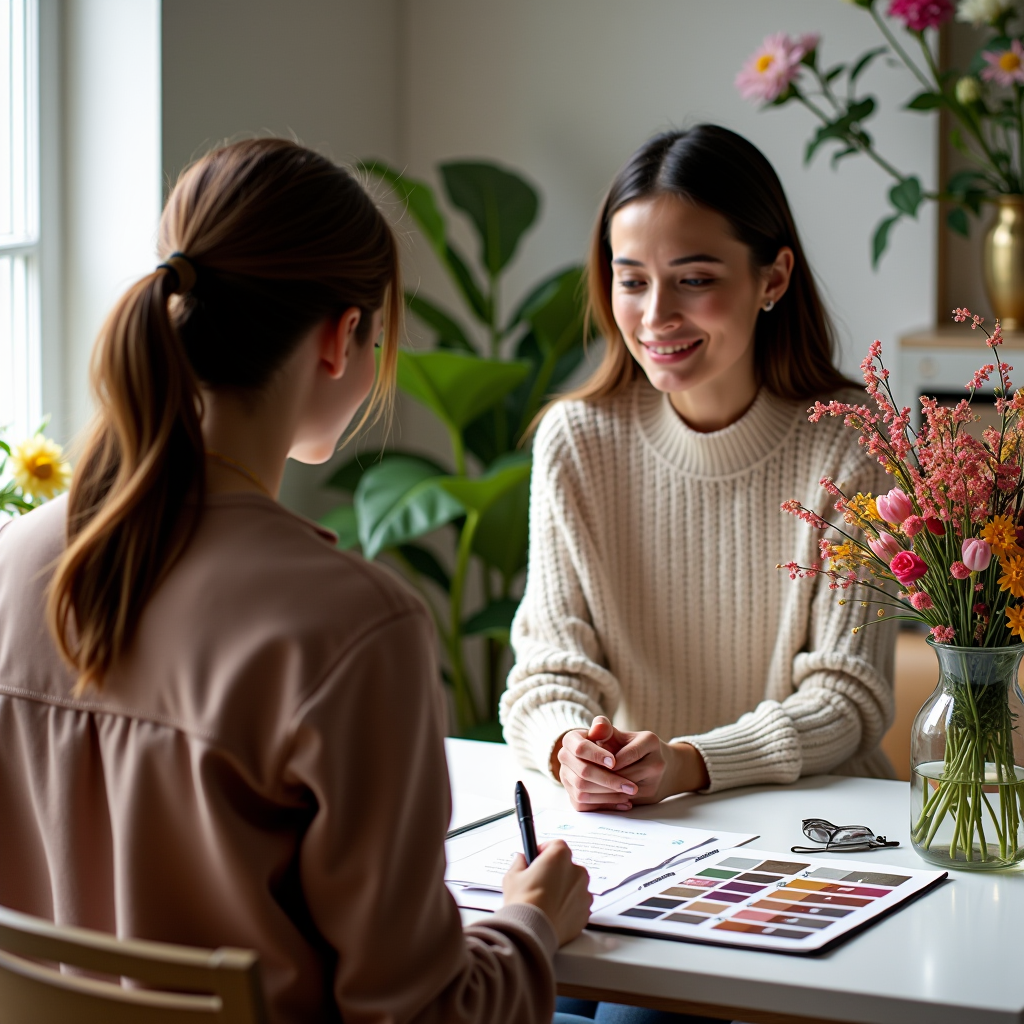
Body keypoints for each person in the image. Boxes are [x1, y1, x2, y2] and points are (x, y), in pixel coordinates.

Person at [0, 138, 592, 1024]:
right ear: (341, 336)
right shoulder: (353, 624)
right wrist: (530, 924)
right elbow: (423, 1016)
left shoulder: (14, 563)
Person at [501, 123, 896, 822]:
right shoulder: (577, 441)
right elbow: (548, 669)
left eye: (694, 280)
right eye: (632, 281)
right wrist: (570, 747)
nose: (655, 316)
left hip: (828, 826)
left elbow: (848, 697)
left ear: (772, 277)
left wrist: (690, 764)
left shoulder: (849, 442)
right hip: (649, 830)